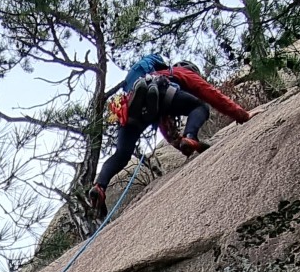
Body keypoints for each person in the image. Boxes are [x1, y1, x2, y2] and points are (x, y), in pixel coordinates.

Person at [88, 59, 251, 220]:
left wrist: (188, 146)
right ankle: (191, 135)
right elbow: (212, 95)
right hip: (161, 93)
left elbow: (168, 130)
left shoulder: (150, 74)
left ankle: (99, 186)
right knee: (200, 107)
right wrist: (242, 115)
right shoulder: (181, 72)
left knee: (122, 155)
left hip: (128, 109)